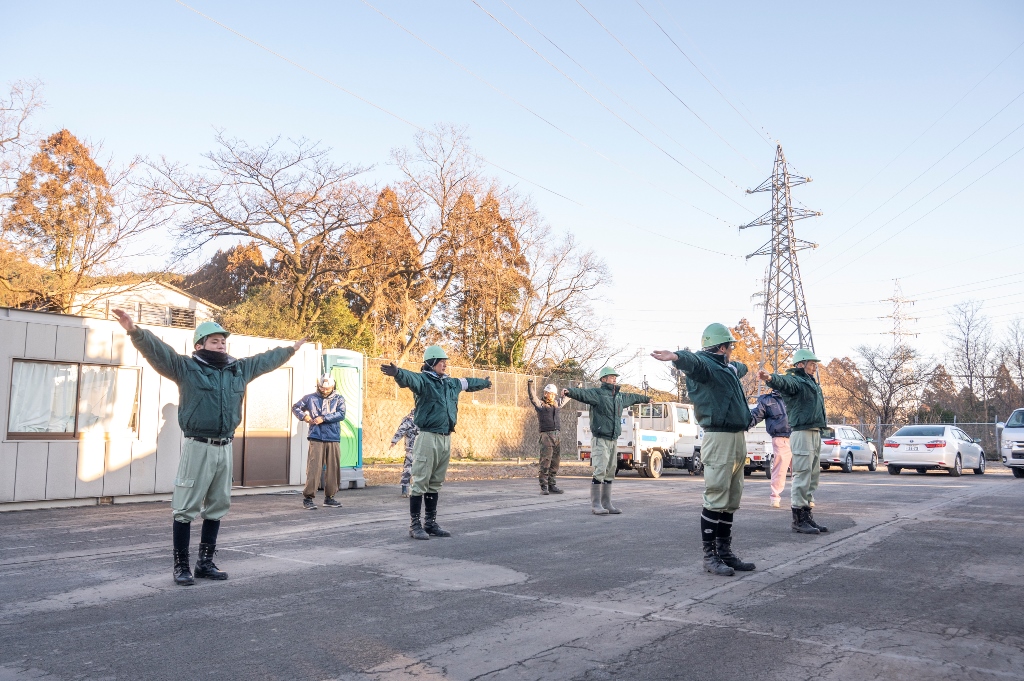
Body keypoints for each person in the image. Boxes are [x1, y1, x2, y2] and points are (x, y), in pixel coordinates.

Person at [112, 309, 305, 586]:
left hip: (225, 446)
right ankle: (182, 566)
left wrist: (290, 349)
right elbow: (160, 352)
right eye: (214, 341)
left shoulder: (238, 370)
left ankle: (205, 563)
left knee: (217, 505)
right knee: (185, 507)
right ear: (199, 345)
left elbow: (265, 361)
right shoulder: (186, 368)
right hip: (198, 446)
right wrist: (135, 331)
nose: (221, 344)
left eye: (223, 341)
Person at [651, 323, 756, 577]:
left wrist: (740, 366)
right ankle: (710, 556)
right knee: (716, 495)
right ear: (721, 347)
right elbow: (693, 362)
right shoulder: (706, 367)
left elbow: (740, 367)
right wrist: (677, 357)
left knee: (731, 499)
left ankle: (725, 552)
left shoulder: (725, 367)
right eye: (729, 346)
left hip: (736, 438)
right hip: (719, 437)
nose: (731, 351)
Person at [380, 346, 491, 540]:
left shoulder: (450, 383)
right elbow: (410, 378)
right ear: (431, 362)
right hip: (427, 437)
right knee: (421, 481)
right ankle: (415, 525)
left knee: (435, 482)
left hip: (445, 438)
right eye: (441, 361)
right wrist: (397, 373)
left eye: (446, 361)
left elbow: (468, 382)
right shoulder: (424, 381)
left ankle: (430, 523)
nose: (445, 364)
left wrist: (484, 383)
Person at [758, 349, 829, 535]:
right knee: (803, 474)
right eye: (812, 364)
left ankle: (807, 515)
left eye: (815, 364)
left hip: (814, 430)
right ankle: (798, 518)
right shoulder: (796, 380)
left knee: (812, 476)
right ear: (800, 364)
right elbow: (785, 382)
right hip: (802, 432)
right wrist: (770, 378)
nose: (815, 367)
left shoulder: (810, 382)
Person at [563, 367, 650, 515]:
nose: (614, 379)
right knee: (600, 469)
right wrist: (570, 391)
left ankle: (607, 503)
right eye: (611, 377)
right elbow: (583, 394)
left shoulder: (620, 397)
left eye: (615, 377)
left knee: (610, 470)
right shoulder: (597, 394)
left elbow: (633, 397)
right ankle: (596, 504)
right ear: (603, 379)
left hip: (613, 439)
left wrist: (646, 399)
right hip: (600, 438)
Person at [292, 374, 347, 510]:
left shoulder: (339, 399)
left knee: (333, 468)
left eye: (327, 388)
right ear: (318, 385)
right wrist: (304, 416)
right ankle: (308, 498)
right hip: (316, 437)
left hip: (333, 437)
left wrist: (324, 418)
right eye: (322, 387)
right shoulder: (310, 398)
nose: (324, 390)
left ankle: (330, 497)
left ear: (333, 386)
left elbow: (341, 414)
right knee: (314, 468)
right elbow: (295, 407)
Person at [749, 389, 793, 508]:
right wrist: (743, 424)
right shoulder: (767, 400)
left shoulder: (793, 396)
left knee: (801, 469)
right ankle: (775, 497)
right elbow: (755, 416)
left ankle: (803, 497)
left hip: (797, 436)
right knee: (780, 469)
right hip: (780, 437)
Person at [527, 380, 568, 495]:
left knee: (555, 461)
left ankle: (552, 484)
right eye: (549, 393)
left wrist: (575, 389)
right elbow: (532, 397)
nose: (551, 396)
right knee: (545, 461)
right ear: (545, 393)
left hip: (557, 436)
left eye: (553, 394)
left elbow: (566, 398)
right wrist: (530, 386)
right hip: (546, 435)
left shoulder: (556, 404)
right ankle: (544, 486)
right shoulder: (540, 405)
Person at [390, 409, 419, 497]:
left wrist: (394, 441)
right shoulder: (409, 420)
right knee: (409, 469)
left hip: (418, 448)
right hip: (412, 449)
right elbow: (401, 430)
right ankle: (405, 489)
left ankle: (410, 490)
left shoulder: (418, 419)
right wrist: (394, 441)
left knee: (411, 469)